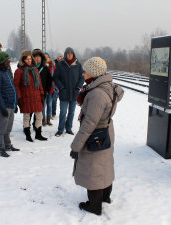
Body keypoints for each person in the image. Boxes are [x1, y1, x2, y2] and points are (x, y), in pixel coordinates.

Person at [70, 57, 124, 216]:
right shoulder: (107, 87)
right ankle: (105, 196)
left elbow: (89, 123)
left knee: (93, 168)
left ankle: (94, 206)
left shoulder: (97, 94)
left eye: (85, 71)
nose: (83, 73)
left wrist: (76, 146)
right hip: (106, 131)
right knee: (104, 165)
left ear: (94, 73)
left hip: (95, 135)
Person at [13, 50, 47, 142]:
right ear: (23, 60)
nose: (29, 61)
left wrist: (42, 94)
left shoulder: (35, 69)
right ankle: (28, 135)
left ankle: (38, 134)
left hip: (36, 97)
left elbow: (39, 83)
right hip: (26, 97)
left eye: (30, 59)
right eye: (27, 59)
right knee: (27, 116)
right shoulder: (19, 71)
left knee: (39, 115)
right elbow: (16, 86)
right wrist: (19, 98)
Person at [0, 51, 20, 157]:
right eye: (7, 61)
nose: (9, 62)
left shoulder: (6, 71)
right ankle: (1, 148)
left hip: (10, 105)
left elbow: (12, 88)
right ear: (1, 61)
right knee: (2, 129)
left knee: (8, 128)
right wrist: (2, 107)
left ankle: (8, 145)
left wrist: (15, 104)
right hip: (2, 106)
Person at [53, 47, 84, 136]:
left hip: (74, 93)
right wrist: (61, 88)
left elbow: (82, 77)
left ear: (73, 54)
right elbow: (56, 77)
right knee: (63, 112)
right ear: (65, 54)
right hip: (64, 93)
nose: (69, 54)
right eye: (68, 53)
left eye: (71, 53)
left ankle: (68, 128)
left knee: (72, 112)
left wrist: (78, 87)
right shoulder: (61, 64)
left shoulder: (78, 65)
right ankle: (60, 129)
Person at [32, 49, 52, 126]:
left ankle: (36, 124)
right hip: (32, 92)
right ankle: (27, 126)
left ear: (41, 58)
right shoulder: (31, 67)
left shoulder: (45, 68)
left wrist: (47, 90)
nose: (37, 59)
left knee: (39, 110)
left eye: (39, 57)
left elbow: (49, 80)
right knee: (30, 110)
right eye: (35, 57)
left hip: (42, 93)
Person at [51, 55, 62, 120]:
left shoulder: (64, 63)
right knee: (54, 100)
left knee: (62, 101)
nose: (60, 58)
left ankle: (63, 114)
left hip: (62, 85)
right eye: (59, 56)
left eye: (61, 56)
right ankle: (53, 113)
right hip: (55, 84)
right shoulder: (54, 63)